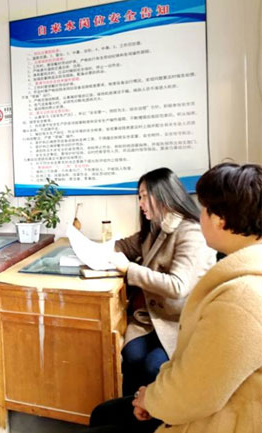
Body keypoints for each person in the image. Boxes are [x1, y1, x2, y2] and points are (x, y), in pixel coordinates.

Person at [86, 162, 262, 433]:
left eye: (204, 209)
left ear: (220, 219)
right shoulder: (155, 228)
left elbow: (197, 390)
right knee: (130, 357)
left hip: (209, 409)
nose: (199, 217)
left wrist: (152, 400)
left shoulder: (239, 297)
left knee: (143, 373)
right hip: (162, 333)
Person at [109, 168, 215, 395]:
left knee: (153, 366)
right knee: (131, 354)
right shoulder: (156, 227)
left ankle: (155, 412)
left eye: (144, 196)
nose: (141, 203)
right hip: (152, 319)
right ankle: (130, 407)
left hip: (180, 322)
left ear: (164, 195)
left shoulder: (191, 232)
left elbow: (178, 286)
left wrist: (130, 269)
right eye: (139, 197)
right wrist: (103, 252)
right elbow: (124, 246)